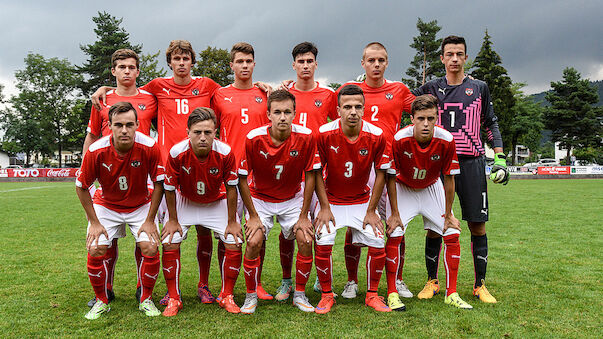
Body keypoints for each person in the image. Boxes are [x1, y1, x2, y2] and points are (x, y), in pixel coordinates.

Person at [413, 35, 508, 303]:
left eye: (459, 54)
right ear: (441, 58)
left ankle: (480, 285)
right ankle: (432, 281)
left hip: (471, 163)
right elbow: (400, 103)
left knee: (477, 224)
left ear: (466, 57)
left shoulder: (479, 87)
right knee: (435, 225)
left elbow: (491, 123)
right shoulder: (430, 88)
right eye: (449, 54)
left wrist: (499, 157)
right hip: (438, 164)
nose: (454, 59)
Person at [327, 42, 415, 302]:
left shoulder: (399, 90)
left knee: (394, 224)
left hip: (389, 169)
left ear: (387, 63)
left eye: (381, 60)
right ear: (362, 63)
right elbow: (321, 108)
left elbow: (425, 108)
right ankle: (352, 281)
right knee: (352, 225)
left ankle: (395, 278)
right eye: (371, 60)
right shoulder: (348, 92)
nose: (376, 64)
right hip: (356, 165)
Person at [83, 48, 158, 308]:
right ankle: (106, 288)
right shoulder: (101, 100)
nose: (127, 71)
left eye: (131, 67)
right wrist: (87, 172)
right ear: (113, 71)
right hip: (108, 175)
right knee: (106, 239)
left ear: (138, 71)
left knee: (145, 239)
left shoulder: (151, 97)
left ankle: (142, 288)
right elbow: (93, 136)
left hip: (142, 174)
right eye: (121, 67)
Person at [76, 102, 164, 319]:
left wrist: (151, 219)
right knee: (96, 247)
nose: (124, 130)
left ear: (137, 125)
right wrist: (94, 222)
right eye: (118, 125)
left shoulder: (150, 146)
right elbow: (81, 186)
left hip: (140, 205)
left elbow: (160, 183)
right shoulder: (96, 150)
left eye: (129, 125)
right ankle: (101, 301)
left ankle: (146, 299)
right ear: (110, 126)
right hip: (107, 205)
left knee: (150, 246)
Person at [386, 94, 473, 310]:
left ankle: (451, 293)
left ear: (437, 118)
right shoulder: (399, 139)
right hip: (403, 187)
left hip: (431, 187)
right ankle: (391, 293)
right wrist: (394, 213)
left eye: (431, 119)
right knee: (395, 232)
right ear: (412, 119)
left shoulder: (446, 139)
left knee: (452, 232)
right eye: (421, 118)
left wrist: (449, 213)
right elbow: (390, 176)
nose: (426, 124)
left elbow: (450, 178)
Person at [237, 89, 320, 313]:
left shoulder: (306, 137)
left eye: (287, 112)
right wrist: (253, 216)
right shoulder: (254, 138)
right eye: (277, 112)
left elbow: (311, 174)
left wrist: (304, 215)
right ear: (268, 115)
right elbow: (242, 178)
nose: (282, 117)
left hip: (292, 198)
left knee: (305, 239)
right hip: (260, 198)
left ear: (295, 113)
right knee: (253, 241)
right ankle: (250, 296)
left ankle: (300, 295)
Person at [313, 84, 391, 314]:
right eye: (347, 107)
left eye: (358, 106)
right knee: (324, 240)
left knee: (377, 240)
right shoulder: (325, 133)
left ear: (365, 109)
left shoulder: (376, 135)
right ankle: (327, 295)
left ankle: (372, 295)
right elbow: (317, 172)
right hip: (333, 202)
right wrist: (324, 207)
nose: (353, 111)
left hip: (361, 202)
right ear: (338, 110)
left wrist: (371, 210)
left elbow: (381, 174)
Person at [269, 42, 338, 300]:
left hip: (318, 169)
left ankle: (321, 279)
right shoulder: (284, 93)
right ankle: (287, 281)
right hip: (288, 169)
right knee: (289, 230)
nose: (305, 66)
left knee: (319, 226)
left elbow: (339, 121)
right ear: (294, 65)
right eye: (301, 61)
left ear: (316, 64)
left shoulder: (329, 95)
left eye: (310, 61)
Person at [160, 107, 243, 316]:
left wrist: (232, 221)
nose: (203, 137)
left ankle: (227, 295)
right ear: (188, 132)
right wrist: (172, 219)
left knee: (234, 241)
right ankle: (174, 298)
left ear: (215, 132)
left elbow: (232, 188)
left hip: (215, 201)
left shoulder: (225, 152)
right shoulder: (176, 153)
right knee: (170, 240)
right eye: (198, 132)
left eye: (208, 132)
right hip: (186, 201)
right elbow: (169, 189)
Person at [210, 42, 272, 300]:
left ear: (254, 64)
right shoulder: (219, 95)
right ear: (232, 65)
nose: (244, 66)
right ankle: (228, 285)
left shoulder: (265, 93)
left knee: (259, 230)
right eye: (240, 62)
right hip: (229, 172)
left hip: (259, 172)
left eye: (249, 62)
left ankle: (255, 283)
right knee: (228, 231)